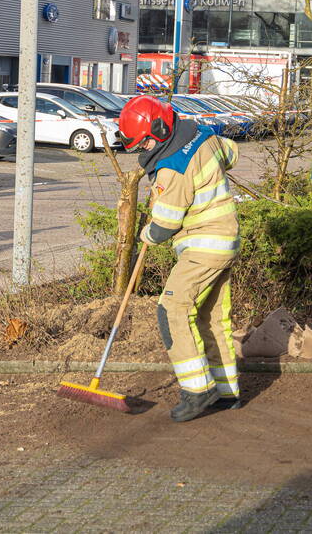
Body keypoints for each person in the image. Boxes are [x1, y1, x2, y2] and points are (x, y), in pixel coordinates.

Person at [118, 94, 241, 422]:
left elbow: (166, 225)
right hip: (226, 240)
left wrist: (147, 233)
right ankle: (227, 392)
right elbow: (233, 154)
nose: (140, 150)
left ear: (158, 131)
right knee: (212, 318)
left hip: (203, 247)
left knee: (172, 310)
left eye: (142, 143)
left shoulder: (172, 167)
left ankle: (198, 391)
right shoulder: (204, 136)